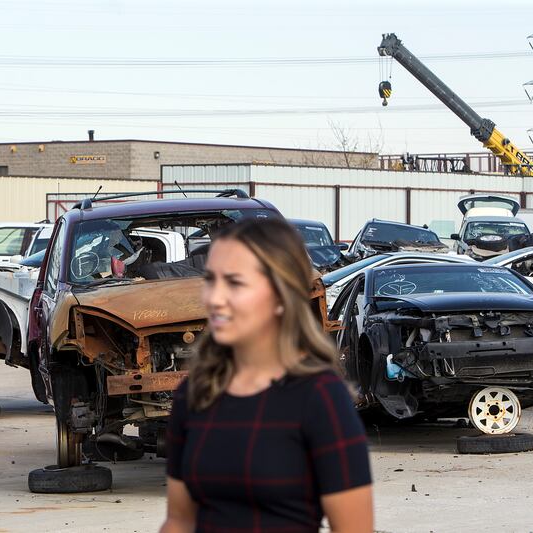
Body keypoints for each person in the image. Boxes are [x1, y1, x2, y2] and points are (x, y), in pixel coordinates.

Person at [160, 218, 373, 533]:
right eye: (211, 280)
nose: (215, 298)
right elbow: (179, 521)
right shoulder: (195, 393)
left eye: (234, 283)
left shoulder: (320, 398)